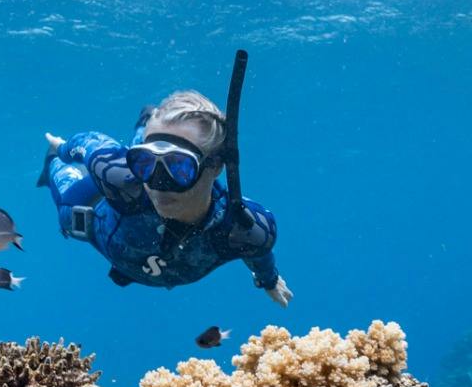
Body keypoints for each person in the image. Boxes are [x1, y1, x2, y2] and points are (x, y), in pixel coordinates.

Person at [40, 52, 291, 304]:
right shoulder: (117, 174)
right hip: (101, 219)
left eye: (179, 167)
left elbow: (259, 253)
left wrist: (268, 280)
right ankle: (142, 127)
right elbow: (86, 142)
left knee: (148, 149)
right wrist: (60, 150)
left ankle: (147, 126)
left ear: (216, 166)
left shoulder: (245, 228)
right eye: (144, 162)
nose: (157, 184)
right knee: (66, 203)